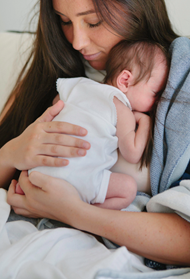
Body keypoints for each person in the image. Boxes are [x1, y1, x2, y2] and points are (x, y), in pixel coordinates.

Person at [0, 0, 190, 272]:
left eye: (93, 21)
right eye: (64, 22)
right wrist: (11, 152)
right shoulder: (51, 81)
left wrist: (74, 212)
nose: (77, 41)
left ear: (135, 1)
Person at [16, 40, 167, 210]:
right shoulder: (122, 110)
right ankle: (86, 212)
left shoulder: (80, 84)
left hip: (41, 170)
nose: (157, 102)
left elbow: (56, 102)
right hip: (78, 179)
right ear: (125, 80)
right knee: (128, 189)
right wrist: (145, 121)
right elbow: (132, 154)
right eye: (155, 93)